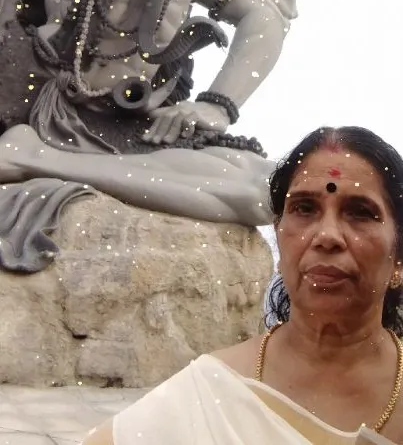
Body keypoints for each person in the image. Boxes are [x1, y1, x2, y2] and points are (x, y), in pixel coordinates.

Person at [82, 126, 403, 445]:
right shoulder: (209, 392)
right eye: (304, 209)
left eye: (360, 212)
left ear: (399, 257)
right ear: (279, 235)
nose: (327, 236)